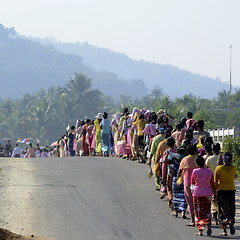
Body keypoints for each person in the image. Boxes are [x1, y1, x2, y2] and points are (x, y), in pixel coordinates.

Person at [214, 152, 237, 236]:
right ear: (231, 160)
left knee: (222, 210)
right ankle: (231, 221)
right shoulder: (234, 168)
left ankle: (224, 230)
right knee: (231, 208)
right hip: (231, 189)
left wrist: (214, 191)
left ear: (223, 159)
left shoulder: (218, 169)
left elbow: (215, 182)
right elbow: (235, 176)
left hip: (221, 190)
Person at [191, 155, 215, 236]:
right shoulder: (209, 171)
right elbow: (212, 183)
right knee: (207, 210)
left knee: (198, 212)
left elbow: (193, 182)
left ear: (197, 163)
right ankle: (207, 221)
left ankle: (200, 230)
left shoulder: (195, 171)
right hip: (207, 194)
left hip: (197, 193)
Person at [178, 144, 198, 226]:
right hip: (197, 183)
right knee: (197, 201)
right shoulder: (198, 159)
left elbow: (180, 170)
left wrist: (178, 179)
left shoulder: (185, 159)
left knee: (190, 202)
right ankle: (198, 218)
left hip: (187, 183)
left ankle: (193, 220)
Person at [205, 142, 221, 225]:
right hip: (221, 182)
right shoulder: (222, 158)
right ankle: (220, 215)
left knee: (213, 200)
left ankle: (215, 219)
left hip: (212, 182)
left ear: (212, 150)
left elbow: (206, 169)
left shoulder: (209, 159)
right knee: (220, 200)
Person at [172, 146, 187, 218]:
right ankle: (183, 212)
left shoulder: (174, 160)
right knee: (184, 196)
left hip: (176, 179)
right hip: (184, 179)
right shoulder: (186, 160)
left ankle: (175, 211)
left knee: (175, 195)